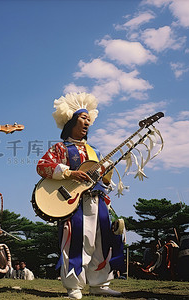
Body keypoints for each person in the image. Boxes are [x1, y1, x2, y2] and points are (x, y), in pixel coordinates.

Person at [36, 92, 124, 299]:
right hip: (73, 203)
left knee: (101, 240)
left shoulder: (95, 152)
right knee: (77, 240)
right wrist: (68, 172)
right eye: (83, 118)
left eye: (88, 119)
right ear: (71, 121)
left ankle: (100, 283)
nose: (87, 122)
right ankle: (74, 286)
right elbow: (42, 166)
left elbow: (103, 181)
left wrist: (108, 176)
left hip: (97, 201)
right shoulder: (60, 148)